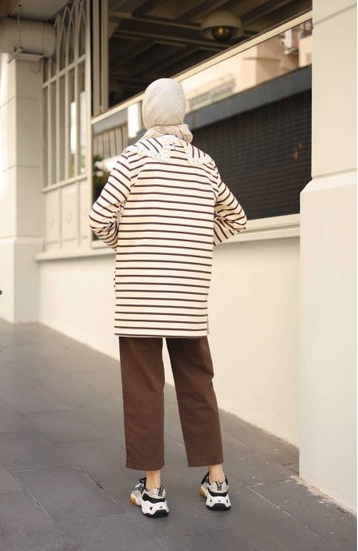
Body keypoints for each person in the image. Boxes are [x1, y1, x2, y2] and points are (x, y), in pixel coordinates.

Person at [89, 78, 247, 518]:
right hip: (188, 301)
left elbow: (99, 219)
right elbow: (236, 218)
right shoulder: (204, 162)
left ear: (148, 113)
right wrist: (194, 244)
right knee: (198, 385)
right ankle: (217, 482)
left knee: (144, 389)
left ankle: (154, 489)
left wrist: (127, 245)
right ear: (181, 111)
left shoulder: (133, 158)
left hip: (140, 299)